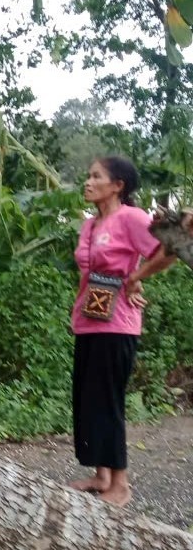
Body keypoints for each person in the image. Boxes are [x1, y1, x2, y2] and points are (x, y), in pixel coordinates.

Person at [69, 155, 175, 507]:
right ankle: (102, 476)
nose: (87, 181)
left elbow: (169, 249)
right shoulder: (89, 225)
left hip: (118, 325)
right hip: (88, 319)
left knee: (108, 400)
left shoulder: (131, 218)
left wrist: (136, 278)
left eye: (95, 176)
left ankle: (122, 485)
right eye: (88, 175)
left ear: (118, 186)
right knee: (88, 399)